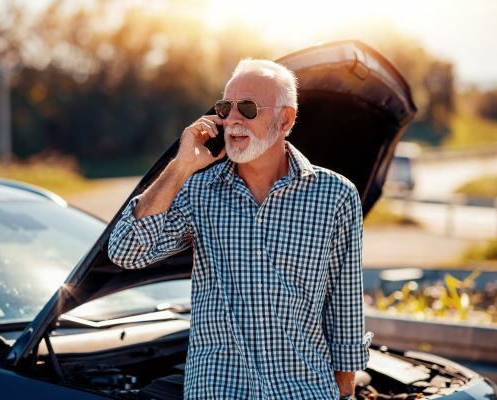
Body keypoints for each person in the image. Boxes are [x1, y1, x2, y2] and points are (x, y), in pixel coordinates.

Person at [109, 59, 373, 399]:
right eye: (225, 108)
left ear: (286, 119)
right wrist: (180, 166)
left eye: (247, 108)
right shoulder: (198, 190)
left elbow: (344, 299)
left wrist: (345, 389)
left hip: (303, 390)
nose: (232, 118)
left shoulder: (335, 196)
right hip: (219, 389)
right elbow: (125, 252)